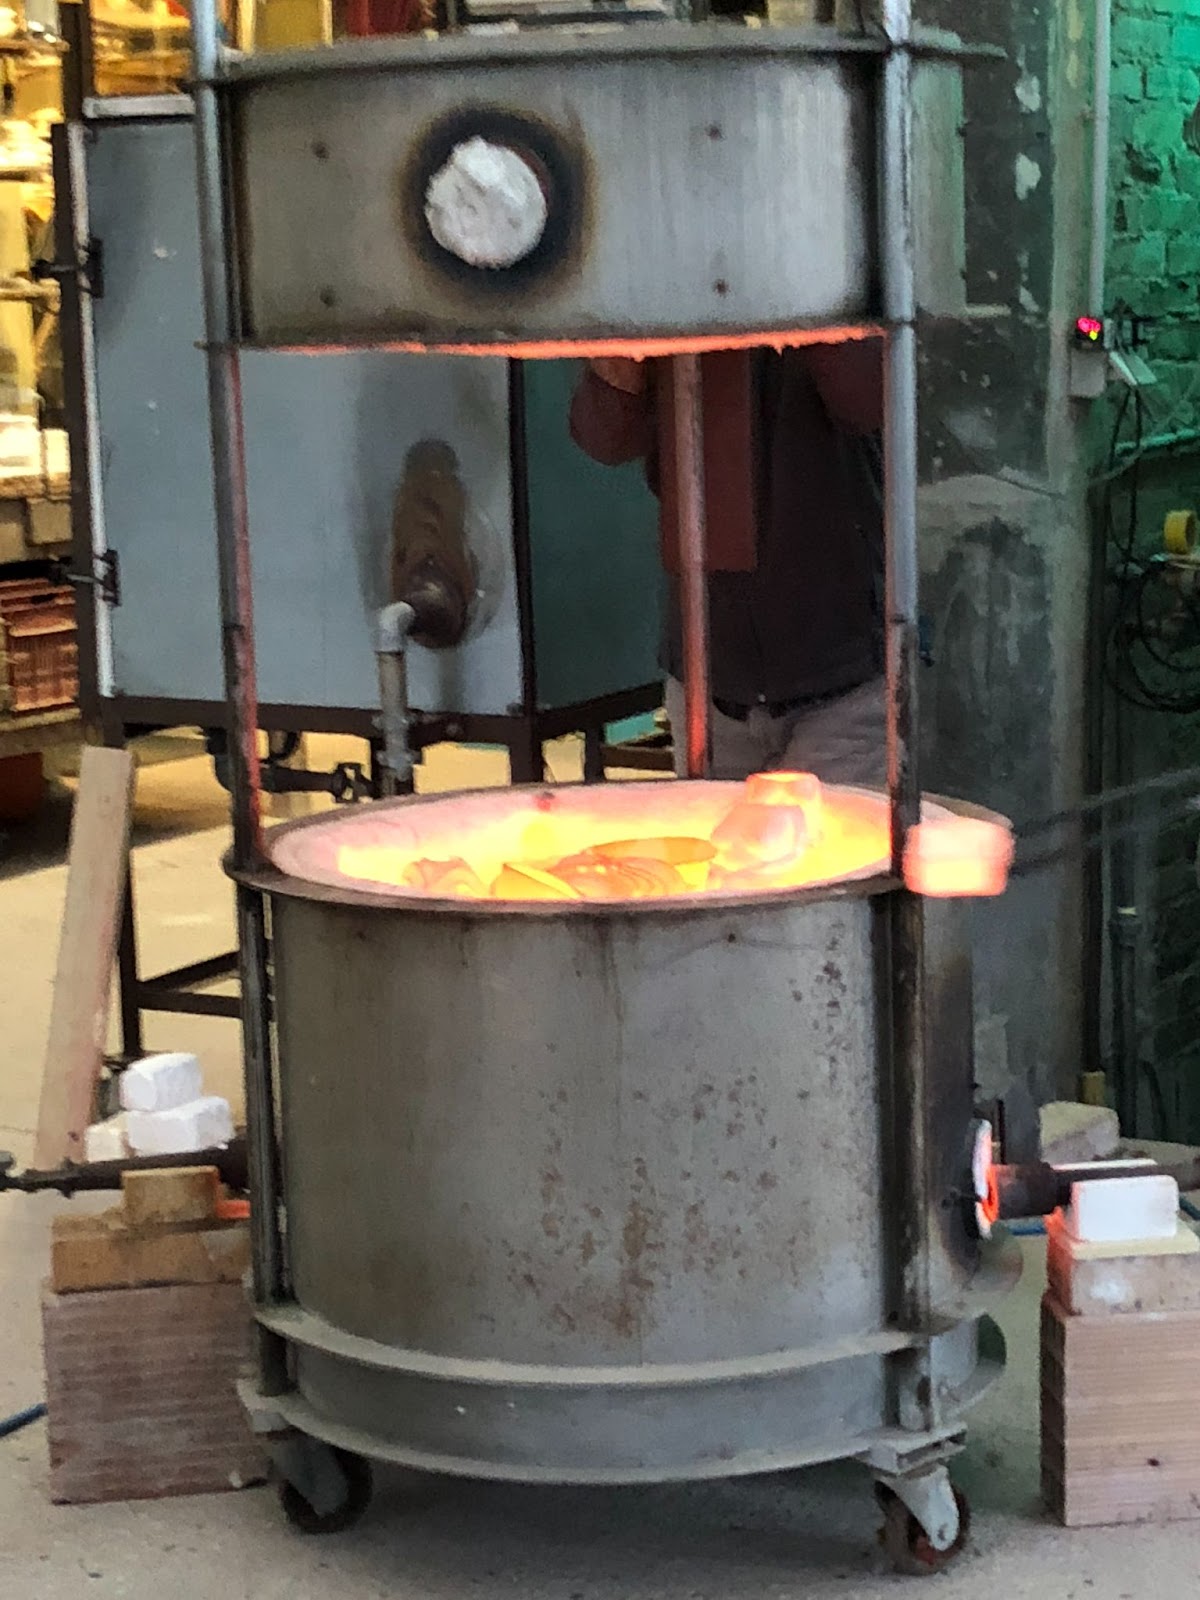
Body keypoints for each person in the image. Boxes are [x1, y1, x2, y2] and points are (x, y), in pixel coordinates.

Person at [569, 342, 887, 785]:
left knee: (841, 832)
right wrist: (624, 354)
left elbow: (869, 400)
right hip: (710, 677)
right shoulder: (674, 316)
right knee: (719, 835)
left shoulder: (833, 310)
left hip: (838, 676)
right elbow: (605, 437)